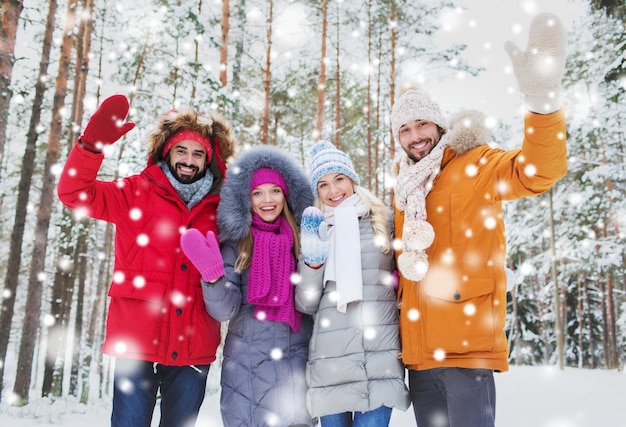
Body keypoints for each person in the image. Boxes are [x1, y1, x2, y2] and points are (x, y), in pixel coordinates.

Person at [390, 13, 567, 427]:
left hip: (466, 348)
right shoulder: (405, 187)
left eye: (423, 124)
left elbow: (539, 170)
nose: (416, 136)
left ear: (439, 124)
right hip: (419, 357)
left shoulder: (478, 163)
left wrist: (542, 103)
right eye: (405, 130)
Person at [57, 95, 235, 427]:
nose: (188, 160)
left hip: (193, 346)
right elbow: (73, 193)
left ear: (209, 160)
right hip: (137, 342)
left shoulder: (221, 208)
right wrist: (89, 148)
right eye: (182, 150)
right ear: (167, 150)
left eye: (198, 154)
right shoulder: (135, 192)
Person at [180, 145, 316, 427]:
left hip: (295, 364)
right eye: (258, 193)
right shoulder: (237, 243)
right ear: (247, 198)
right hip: (247, 371)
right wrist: (213, 277)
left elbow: (311, 300)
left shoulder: (305, 240)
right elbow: (225, 309)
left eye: (275, 191)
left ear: (287, 195)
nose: (267, 200)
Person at [295, 140, 410, 427]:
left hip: (379, 357)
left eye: (339, 179)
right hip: (330, 361)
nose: (333, 191)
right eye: (323, 185)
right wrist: (313, 261)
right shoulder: (315, 228)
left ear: (352, 179)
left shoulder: (383, 221)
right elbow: (306, 303)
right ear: (317, 191)